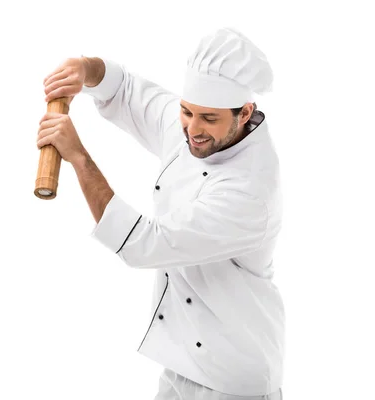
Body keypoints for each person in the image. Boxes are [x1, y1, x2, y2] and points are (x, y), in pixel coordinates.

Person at [37, 27, 284, 400]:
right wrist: (85, 69)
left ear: (245, 112)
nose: (193, 130)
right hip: (180, 366)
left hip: (235, 380)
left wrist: (78, 157)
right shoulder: (192, 123)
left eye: (208, 119)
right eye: (186, 111)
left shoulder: (250, 191)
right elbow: (125, 91)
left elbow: (145, 244)